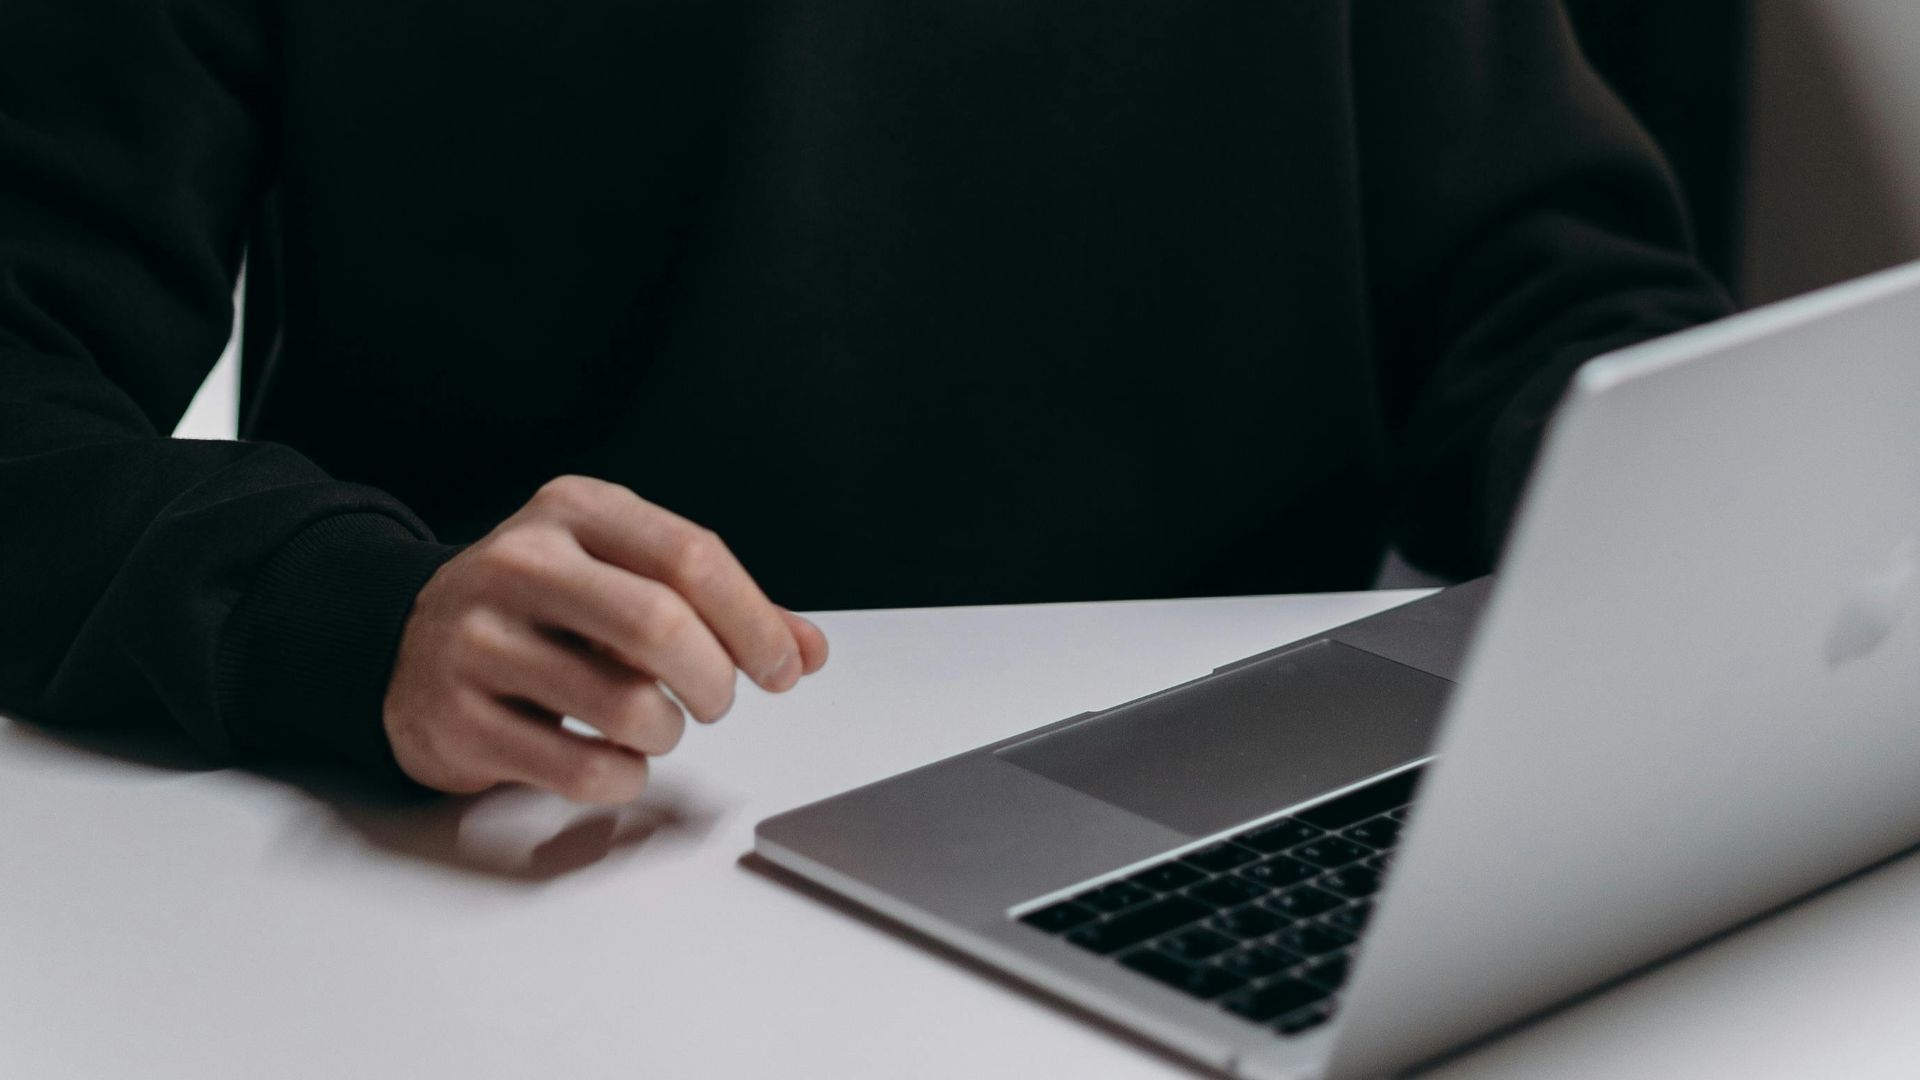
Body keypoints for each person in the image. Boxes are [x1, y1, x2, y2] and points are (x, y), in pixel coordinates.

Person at [0, 0, 1730, 804]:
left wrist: (1744, 513)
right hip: (591, 839)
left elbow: (1533, 290)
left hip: (1262, 801)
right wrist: (347, 613)